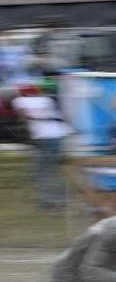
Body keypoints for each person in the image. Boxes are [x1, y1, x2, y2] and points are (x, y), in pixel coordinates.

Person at [11, 83, 70, 212]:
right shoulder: (46, 100)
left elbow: (22, 118)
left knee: (43, 172)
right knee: (53, 169)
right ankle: (60, 200)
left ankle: (50, 203)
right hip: (59, 135)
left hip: (43, 137)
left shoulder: (20, 101)